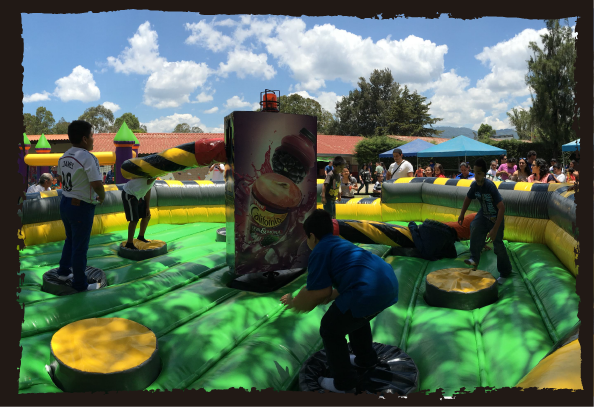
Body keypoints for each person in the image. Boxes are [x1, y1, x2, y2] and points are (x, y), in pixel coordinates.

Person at [280, 209, 399, 393]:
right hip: (388, 283)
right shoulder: (340, 243)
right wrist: (327, 296)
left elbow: (318, 292)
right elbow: (341, 284)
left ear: (312, 236)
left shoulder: (319, 250)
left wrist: (295, 302)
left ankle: (343, 383)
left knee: (330, 328)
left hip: (367, 291)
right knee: (355, 316)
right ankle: (366, 359)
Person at [55, 120, 105, 292]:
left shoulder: (64, 156)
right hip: (81, 206)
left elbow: (60, 178)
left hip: (65, 202)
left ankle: (63, 272)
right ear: (84, 138)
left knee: (70, 240)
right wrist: (102, 196)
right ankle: (80, 284)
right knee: (80, 247)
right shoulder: (88, 157)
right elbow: (96, 183)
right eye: (92, 136)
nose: (93, 139)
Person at [458, 158, 512, 285]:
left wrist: (494, 229)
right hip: (484, 214)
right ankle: (474, 258)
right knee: (474, 225)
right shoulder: (474, 186)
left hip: (495, 216)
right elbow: (468, 198)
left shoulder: (490, 186)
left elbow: (501, 208)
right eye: (475, 172)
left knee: (498, 245)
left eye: (479, 173)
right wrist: (462, 214)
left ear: (484, 174)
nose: (476, 176)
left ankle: (505, 272)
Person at [122, 176, 157, 250]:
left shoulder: (152, 177)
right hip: (129, 194)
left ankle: (141, 236)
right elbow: (148, 182)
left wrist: (147, 207)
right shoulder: (150, 177)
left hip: (138, 195)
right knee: (134, 220)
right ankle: (129, 243)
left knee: (147, 215)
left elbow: (148, 190)